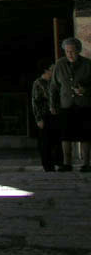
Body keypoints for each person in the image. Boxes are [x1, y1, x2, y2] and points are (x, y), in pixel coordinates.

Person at [50, 37, 91, 172]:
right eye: (67, 51)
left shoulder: (87, 64)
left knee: (85, 136)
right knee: (65, 135)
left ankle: (86, 164)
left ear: (78, 50)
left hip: (84, 105)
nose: (70, 54)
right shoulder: (59, 64)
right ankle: (67, 163)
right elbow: (54, 87)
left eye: (72, 51)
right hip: (66, 105)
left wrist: (85, 90)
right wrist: (53, 104)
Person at [32, 62, 63, 171]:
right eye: (52, 69)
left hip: (56, 114)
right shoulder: (38, 83)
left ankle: (59, 163)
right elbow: (35, 102)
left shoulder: (55, 81)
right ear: (46, 70)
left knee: (57, 140)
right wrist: (38, 118)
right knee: (46, 142)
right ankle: (48, 165)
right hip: (45, 115)